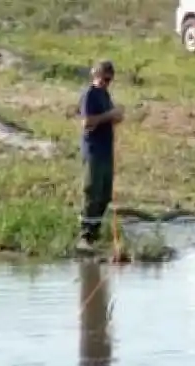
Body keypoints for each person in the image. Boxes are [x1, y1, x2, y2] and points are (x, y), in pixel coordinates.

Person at [78, 59, 125, 252]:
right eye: (104, 79)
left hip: (107, 151)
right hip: (94, 150)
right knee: (92, 192)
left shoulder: (105, 94)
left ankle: (95, 234)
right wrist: (110, 115)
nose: (107, 83)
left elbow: (107, 119)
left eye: (110, 80)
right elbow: (87, 122)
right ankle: (85, 236)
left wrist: (117, 116)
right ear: (96, 76)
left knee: (105, 194)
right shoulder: (89, 95)